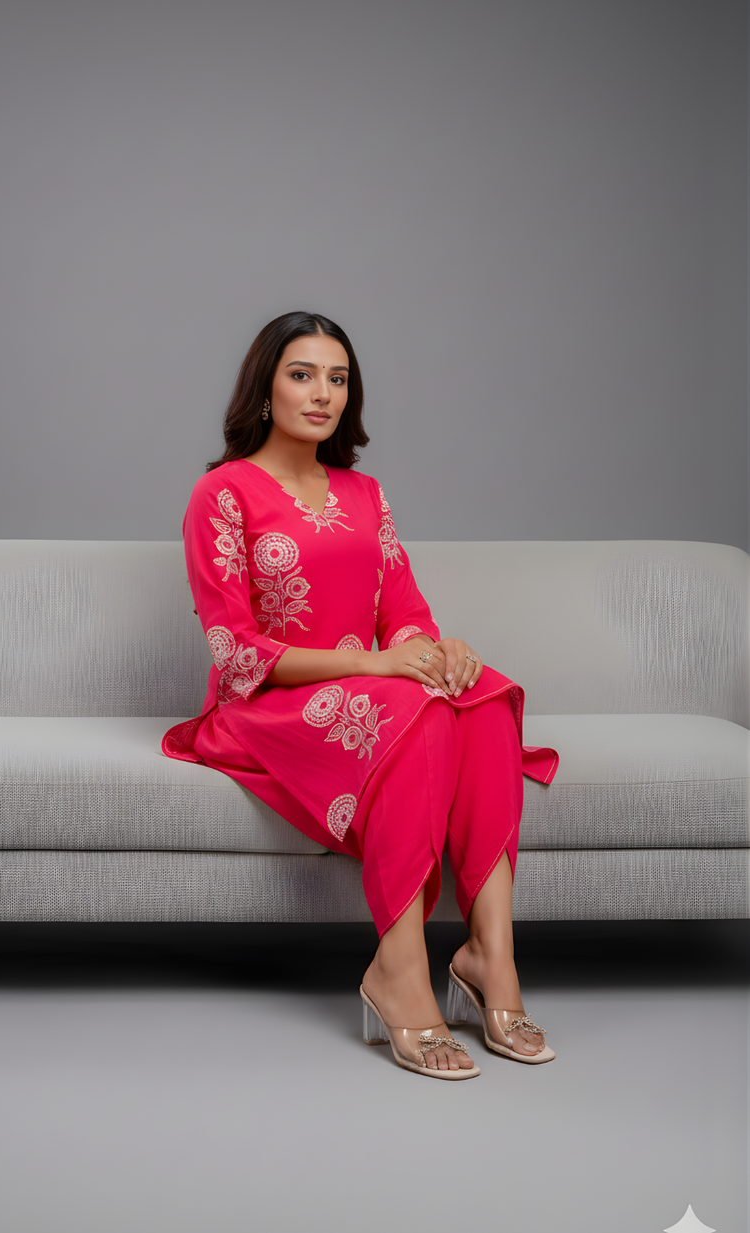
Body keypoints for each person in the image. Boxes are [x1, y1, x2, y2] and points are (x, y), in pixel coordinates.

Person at [163, 311, 559, 1080]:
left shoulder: (365, 493)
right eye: (302, 374)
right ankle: (400, 970)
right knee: (413, 705)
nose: (322, 394)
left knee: (475, 696)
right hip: (266, 708)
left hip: (376, 691)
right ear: (265, 387)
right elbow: (235, 650)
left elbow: (402, 610)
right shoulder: (222, 494)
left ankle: (492, 959)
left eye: (337, 378)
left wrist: (438, 650)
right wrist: (380, 667)